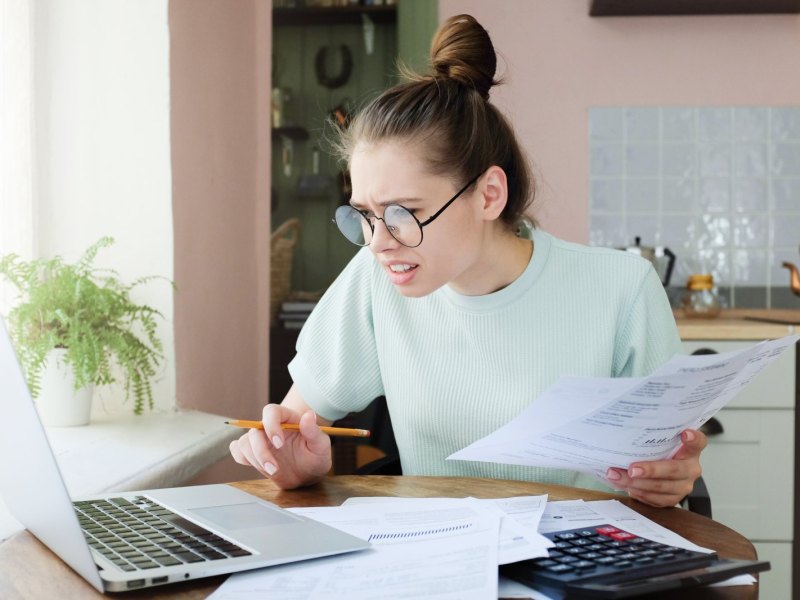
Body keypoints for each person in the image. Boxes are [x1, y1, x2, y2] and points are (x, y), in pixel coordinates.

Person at [231, 14, 707, 508]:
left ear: (489, 195)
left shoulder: (621, 289)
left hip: (584, 559)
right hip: (443, 556)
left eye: (402, 212)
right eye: (365, 216)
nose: (377, 242)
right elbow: (293, 426)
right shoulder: (377, 278)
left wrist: (669, 478)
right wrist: (292, 465)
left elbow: (667, 467)